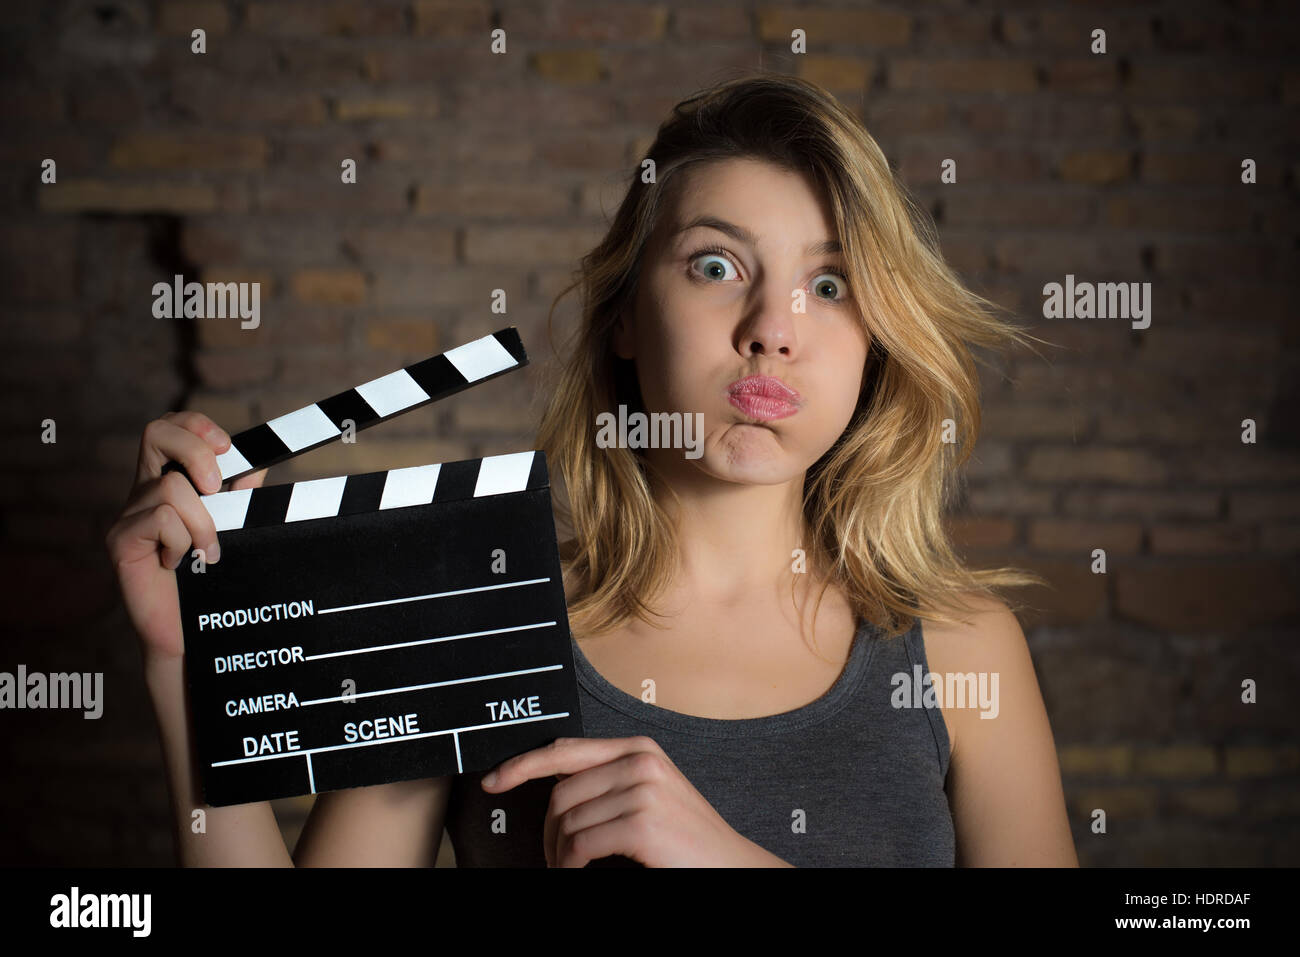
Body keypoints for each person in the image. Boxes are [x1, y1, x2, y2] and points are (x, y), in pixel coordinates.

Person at [106, 71, 1078, 867]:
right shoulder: (476, 616)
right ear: (623, 314)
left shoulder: (960, 650)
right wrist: (184, 666)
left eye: (830, 286)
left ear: (876, 341)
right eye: (714, 265)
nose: (772, 331)